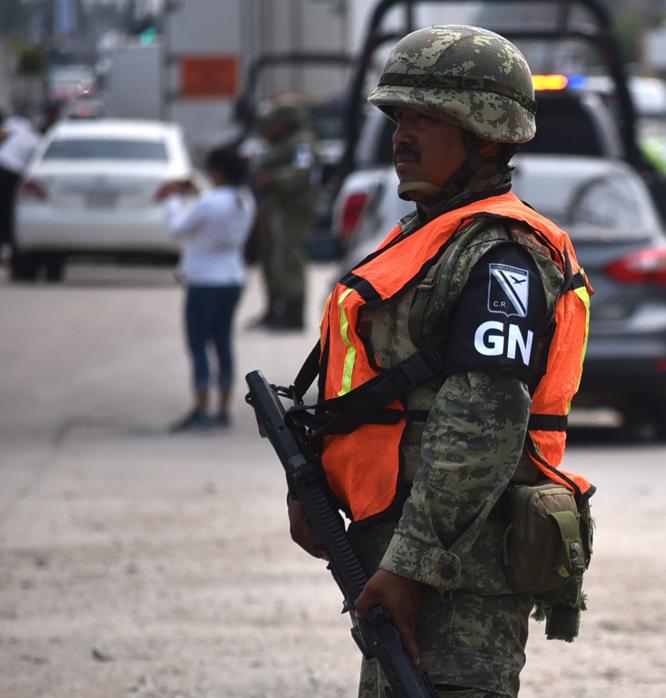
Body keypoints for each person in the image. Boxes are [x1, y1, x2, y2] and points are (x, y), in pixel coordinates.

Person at [284, 25, 594, 697]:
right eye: (398, 117)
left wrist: (414, 566)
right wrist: (316, 487)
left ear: (487, 134)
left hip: (460, 568)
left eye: (426, 119)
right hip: (398, 548)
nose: (401, 136)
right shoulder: (428, 236)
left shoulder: (502, 257)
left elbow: (480, 427)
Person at [164, 146, 256, 431]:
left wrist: (174, 198)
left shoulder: (209, 203)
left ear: (217, 172)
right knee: (223, 343)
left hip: (204, 282)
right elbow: (214, 204)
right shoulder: (244, 199)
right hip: (232, 279)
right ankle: (223, 409)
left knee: (198, 345)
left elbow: (177, 228)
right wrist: (198, 192)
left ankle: (201, 409)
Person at [251, 101, 317, 330]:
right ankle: (274, 309)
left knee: (289, 258)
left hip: (293, 211)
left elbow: (303, 169)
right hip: (274, 208)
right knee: (271, 258)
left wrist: (275, 179)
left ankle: (293, 312)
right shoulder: (278, 144)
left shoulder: (301, 142)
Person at [0, 110, 40, 257]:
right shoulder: (33, 138)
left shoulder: (12, 126)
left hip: (4, 165)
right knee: (9, 210)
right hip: (12, 172)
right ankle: (8, 244)